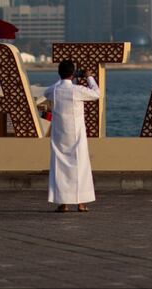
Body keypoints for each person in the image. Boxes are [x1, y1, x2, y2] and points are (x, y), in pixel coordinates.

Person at [45, 60, 102, 212]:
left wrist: (65, 78)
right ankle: (81, 203)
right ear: (73, 74)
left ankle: (63, 203)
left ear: (59, 73)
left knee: (60, 168)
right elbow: (97, 94)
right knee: (80, 167)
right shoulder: (77, 90)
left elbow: (47, 92)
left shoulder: (54, 90)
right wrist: (88, 77)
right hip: (76, 135)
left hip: (59, 135)